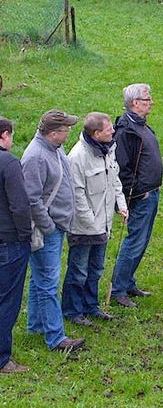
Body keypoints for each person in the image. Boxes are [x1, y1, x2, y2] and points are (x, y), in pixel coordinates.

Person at [21, 110, 85, 353]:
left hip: (56, 225)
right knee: (48, 282)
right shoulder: (35, 157)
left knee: (40, 279)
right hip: (48, 228)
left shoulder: (54, 149)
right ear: (55, 133)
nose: (70, 131)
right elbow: (32, 199)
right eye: (67, 128)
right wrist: (48, 226)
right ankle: (56, 338)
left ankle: (36, 325)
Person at [62, 113, 129, 326]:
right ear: (96, 133)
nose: (113, 132)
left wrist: (121, 204)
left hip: (104, 224)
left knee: (96, 268)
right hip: (84, 228)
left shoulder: (108, 150)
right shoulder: (77, 157)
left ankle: (91, 306)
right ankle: (73, 311)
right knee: (78, 271)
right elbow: (77, 195)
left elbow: (114, 179)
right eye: (108, 129)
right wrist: (92, 224)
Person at [111, 83, 163, 308]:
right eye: (147, 99)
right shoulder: (126, 131)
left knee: (142, 240)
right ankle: (118, 288)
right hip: (141, 196)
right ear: (134, 103)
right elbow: (122, 168)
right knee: (134, 241)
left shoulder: (140, 126)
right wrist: (136, 194)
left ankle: (128, 281)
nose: (151, 102)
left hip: (150, 192)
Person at [0, 117, 32, 373]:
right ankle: (2, 359)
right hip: (9, 241)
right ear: (5, 136)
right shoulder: (9, 163)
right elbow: (20, 205)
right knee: (7, 300)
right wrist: (25, 235)